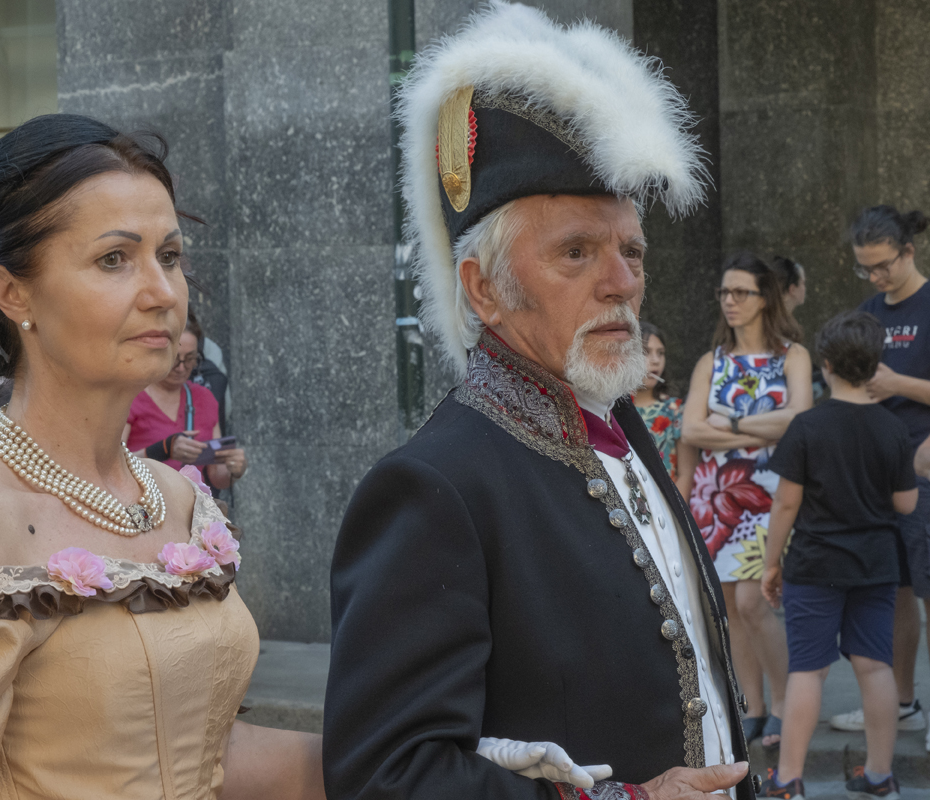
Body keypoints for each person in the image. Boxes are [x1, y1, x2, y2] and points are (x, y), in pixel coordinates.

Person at [0, 114, 330, 800]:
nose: (163, 293)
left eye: (169, 255)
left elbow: (207, 751)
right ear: (12, 292)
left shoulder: (178, 498)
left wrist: (421, 763)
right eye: (114, 258)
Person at [324, 6, 753, 800]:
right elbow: (385, 775)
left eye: (631, 250)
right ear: (485, 290)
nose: (622, 282)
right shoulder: (433, 486)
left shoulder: (621, 425)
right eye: (576, 252)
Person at [760, 311, 918, 800]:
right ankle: (879, 776)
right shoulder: (893, 429)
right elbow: (906, 503)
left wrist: (770, 562)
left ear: (824, 364)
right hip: (875, 565)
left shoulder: (807, 426)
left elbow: (786, 502)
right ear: (875, 366)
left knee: (808, 668)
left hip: (815, 564)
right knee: (875, 666)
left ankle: (788, 781)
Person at [682, 252, 812, 749]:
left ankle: (783, 701)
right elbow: (693, 430)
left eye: (741, 292)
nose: (730, 302)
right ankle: (752, 706)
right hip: (718, 498)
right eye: (724, 293)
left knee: (753, 602)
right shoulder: (711, 362)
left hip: (770, 495)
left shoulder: (791, 355)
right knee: (731, 610)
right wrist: (762, 428)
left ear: (765, 299)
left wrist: (731, 425)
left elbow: (800, 420)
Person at [831, 206, 930, 742]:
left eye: (883, 265)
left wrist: (900, 386)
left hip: (926, 470)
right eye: (864, 267)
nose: (874, 277)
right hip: (878, 474)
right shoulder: (870, 310)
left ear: (909, 252)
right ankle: (903, 703)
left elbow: (893, 384)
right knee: (894, 594)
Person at [126, 314, 247, 491]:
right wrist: (161, 450)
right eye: (175, 359)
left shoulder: (204, 399)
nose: (182, 368)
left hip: (188, 507)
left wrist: (234, 469)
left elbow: (215, 476)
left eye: (190, 359)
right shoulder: (129, 394)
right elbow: (108, 466)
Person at [634, 321, 698, 499]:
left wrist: (677, 518)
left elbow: (686, 473)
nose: (655, 360)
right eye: (646, 352)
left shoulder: (675, 410)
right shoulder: (612, 410)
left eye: (660, 353)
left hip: (666, 507)